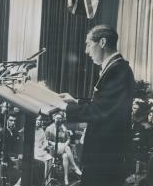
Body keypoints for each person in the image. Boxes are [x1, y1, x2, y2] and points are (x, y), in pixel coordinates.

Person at [58, 25, 135, 186]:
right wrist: (77, 102)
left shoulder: (118, 70)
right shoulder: (116, 68)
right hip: (104, 155)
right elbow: (105, 104)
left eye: (88, 44)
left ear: (102, 42)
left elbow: (101, 110)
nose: (87, 51)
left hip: (104, 158)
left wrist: (65, 107)